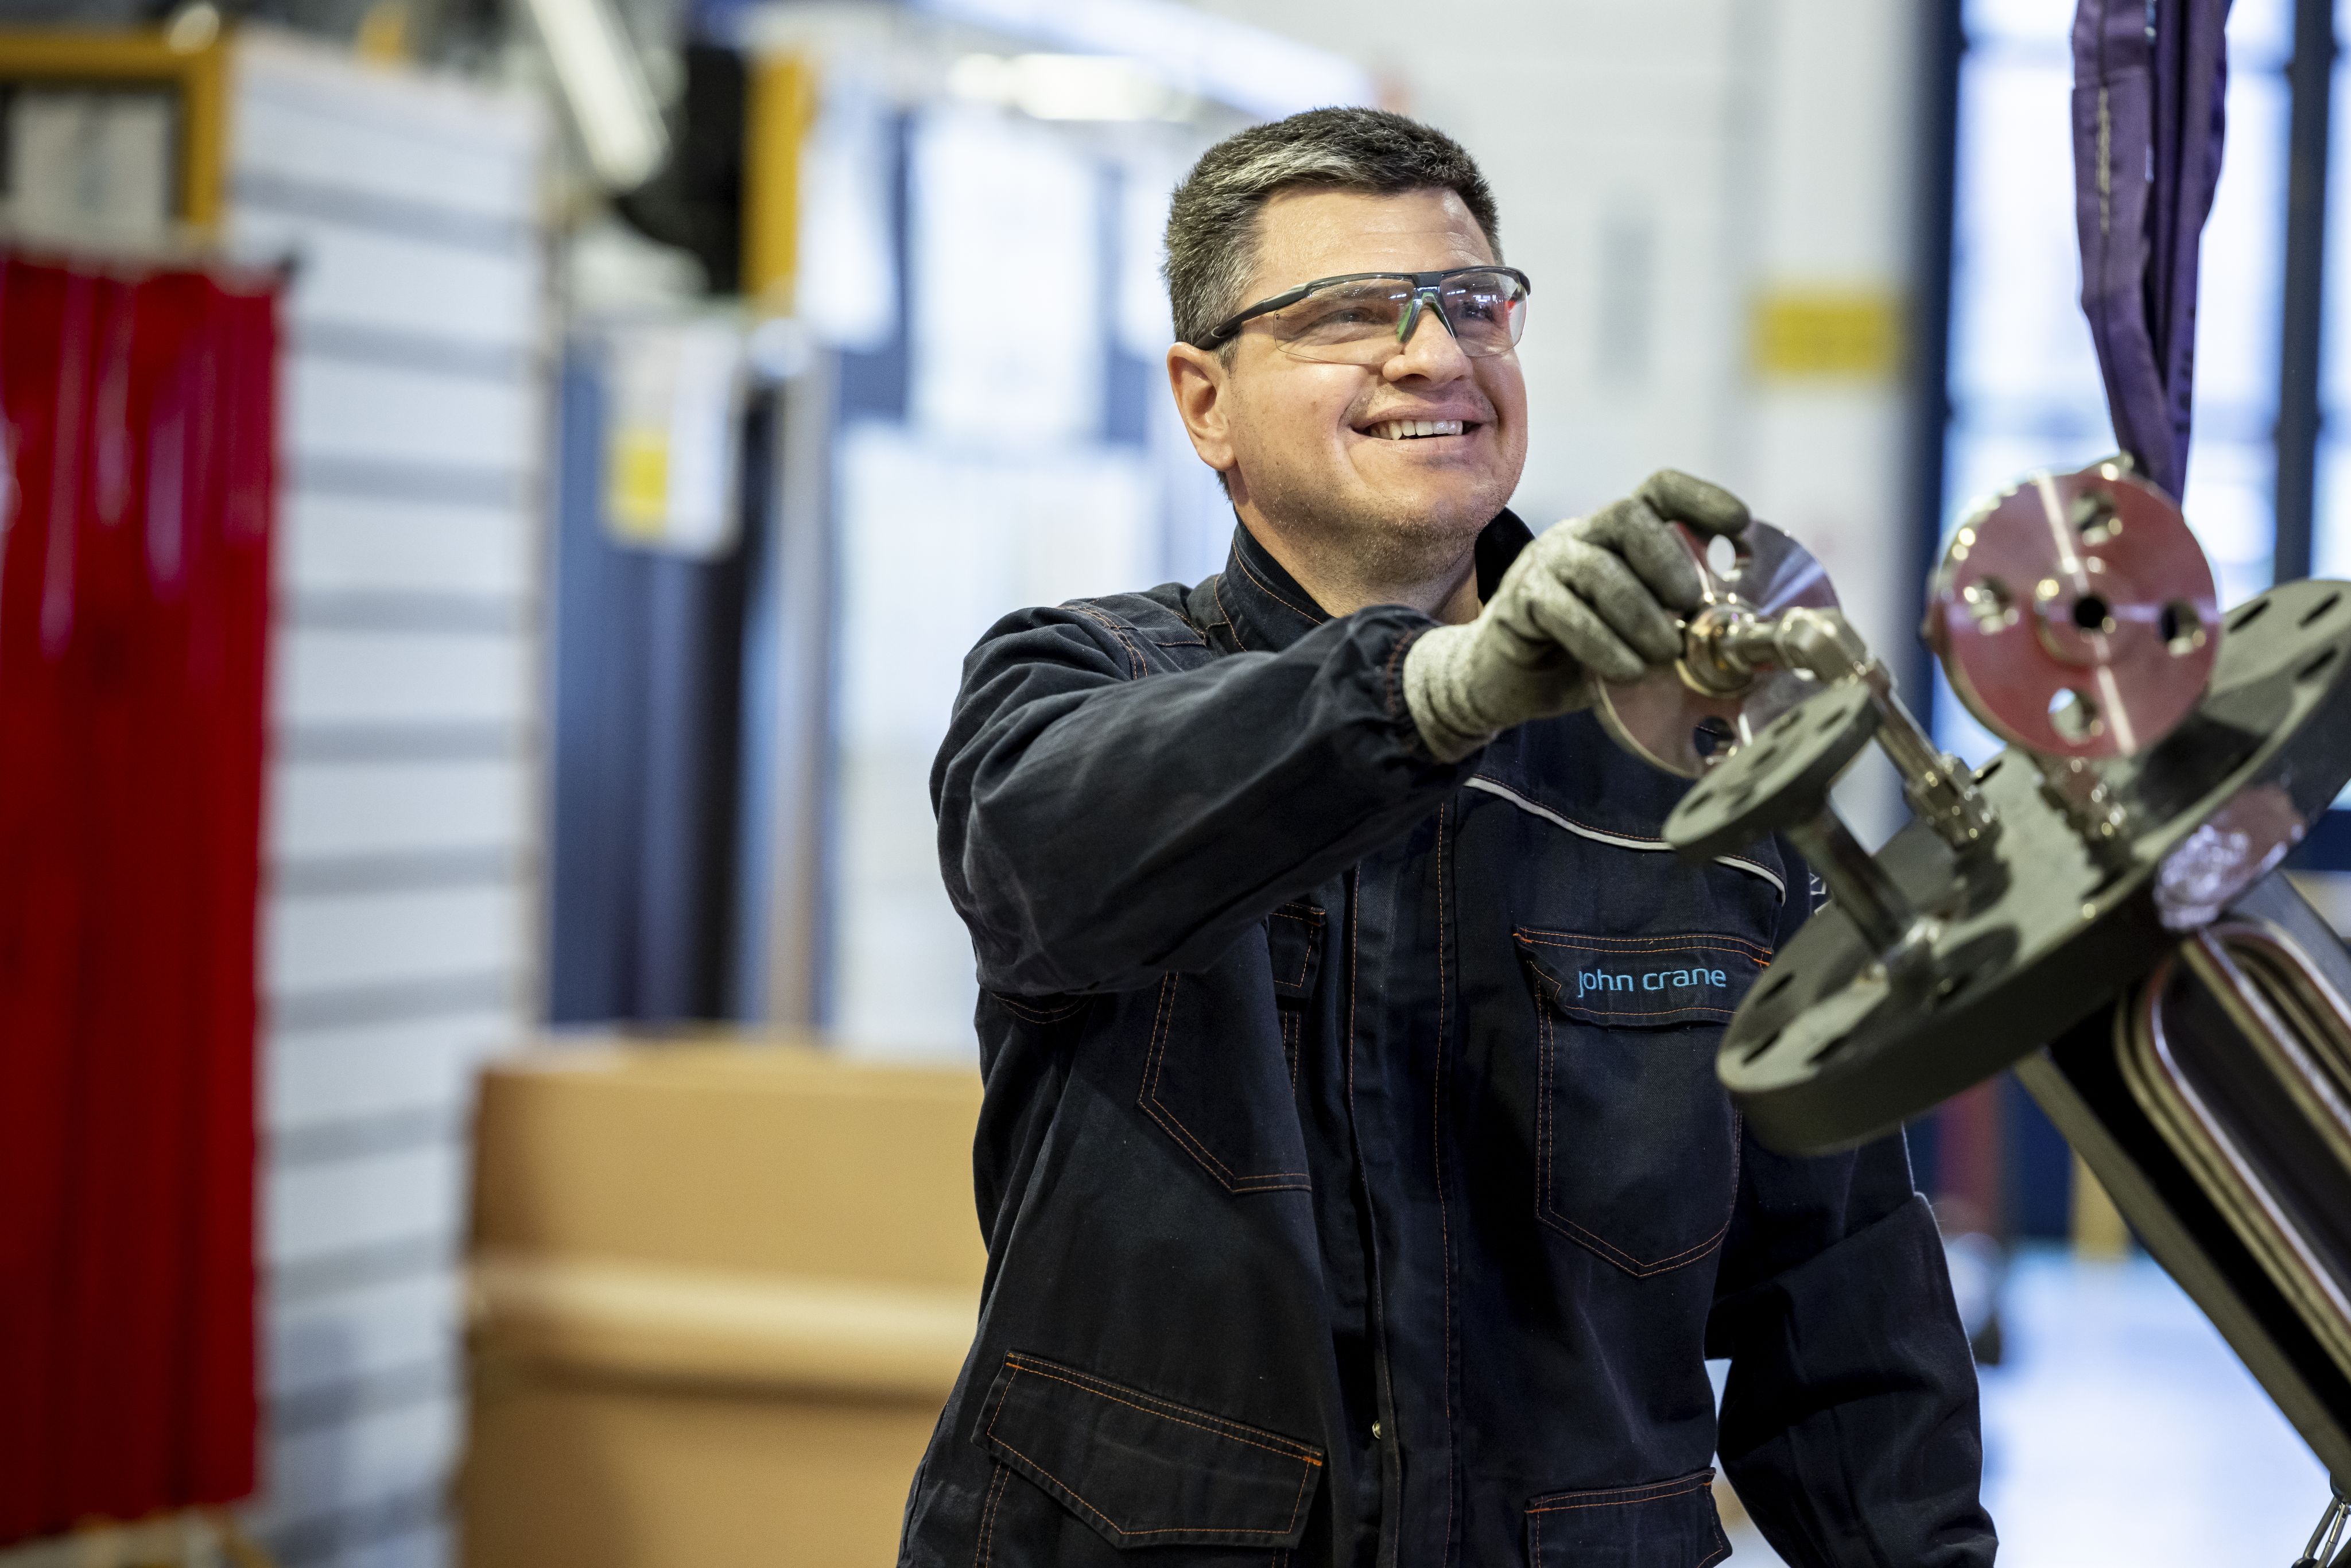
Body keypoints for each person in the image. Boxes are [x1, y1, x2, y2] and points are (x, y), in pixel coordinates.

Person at [901, 107, 1994, 1568]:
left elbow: (1840, 1287)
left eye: (1472, 305)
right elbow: (1048, 853)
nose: (1433, 355)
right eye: (1348, 313)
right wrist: (1433, 692)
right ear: (1203, 399)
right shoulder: (1082, 683)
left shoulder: (1696, 776)